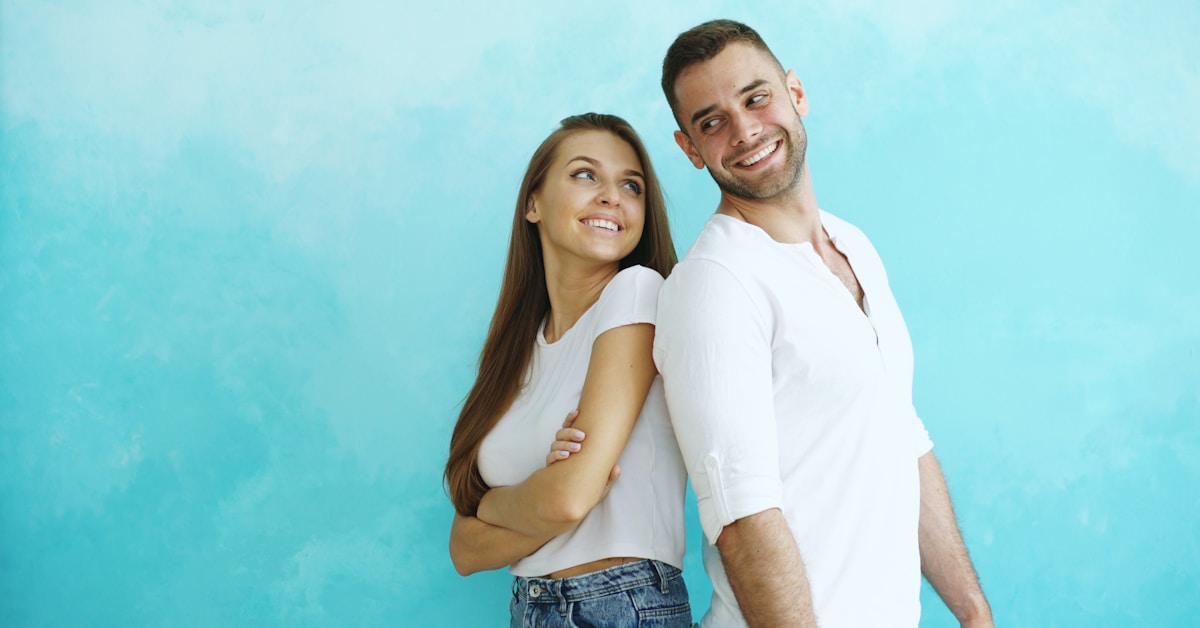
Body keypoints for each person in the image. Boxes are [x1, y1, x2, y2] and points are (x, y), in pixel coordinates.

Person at [652, 19, 993, 627]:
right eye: (712, 121)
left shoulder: (853, 244)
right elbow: (741, 518)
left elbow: (902, 433)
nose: (745, 129)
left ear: (796, 94)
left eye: (756, 98)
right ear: (690, 149)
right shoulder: (716, 283)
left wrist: (973, 614)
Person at [444, 113, 692, 627]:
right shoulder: (516, 353)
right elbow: (463, 552)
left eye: (632, 185)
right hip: (532, 607)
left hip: (621, 604)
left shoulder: (637, 291)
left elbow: (570, 498)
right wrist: (532, 498)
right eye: (585, 174)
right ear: (532, 203)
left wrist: (495, 508)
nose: (611, 196)